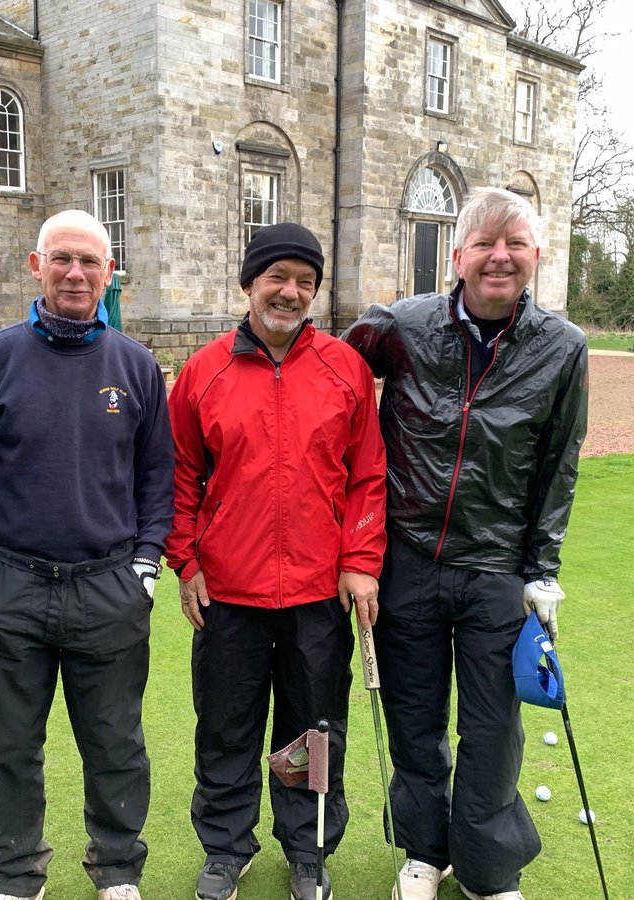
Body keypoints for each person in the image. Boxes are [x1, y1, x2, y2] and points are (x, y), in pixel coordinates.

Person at [341, 187, 589, 900]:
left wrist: (542, 571)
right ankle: (427, 851)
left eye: (514, 243)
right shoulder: (401, 324)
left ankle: (486, 869)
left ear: (535, 256)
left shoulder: (563, 348)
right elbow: (327, 387)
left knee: (492, 733)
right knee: (416, 724)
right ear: (458, 256)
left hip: (496, 570)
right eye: (484, 242)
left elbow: (558, 463)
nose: (498, 256)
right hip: (406, 560)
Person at [0, 210, 174, 900]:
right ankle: (18, 875)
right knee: (8, 749)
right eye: (63, 259)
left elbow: (157, 477)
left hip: (109, 585)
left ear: (109, 273)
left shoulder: (133, 365)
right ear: (36, 265)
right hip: (11, 583)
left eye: (91, 262)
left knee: (115, 746)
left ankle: (118, 871)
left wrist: (146, 566)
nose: (76, 273)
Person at [165, 222, 387, 900]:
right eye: (277, 278)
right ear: (250, 284)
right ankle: (227, 849)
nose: (290, 292)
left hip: (318, 593)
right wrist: (185, 561)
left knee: (310, 735)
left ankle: (308, 848)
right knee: (227, 730)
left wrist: (361, 560)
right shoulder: (205, 371)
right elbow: (178, 475)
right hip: (228, 592)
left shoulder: (343, 367)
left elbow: (367, 476)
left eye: (304, 281)